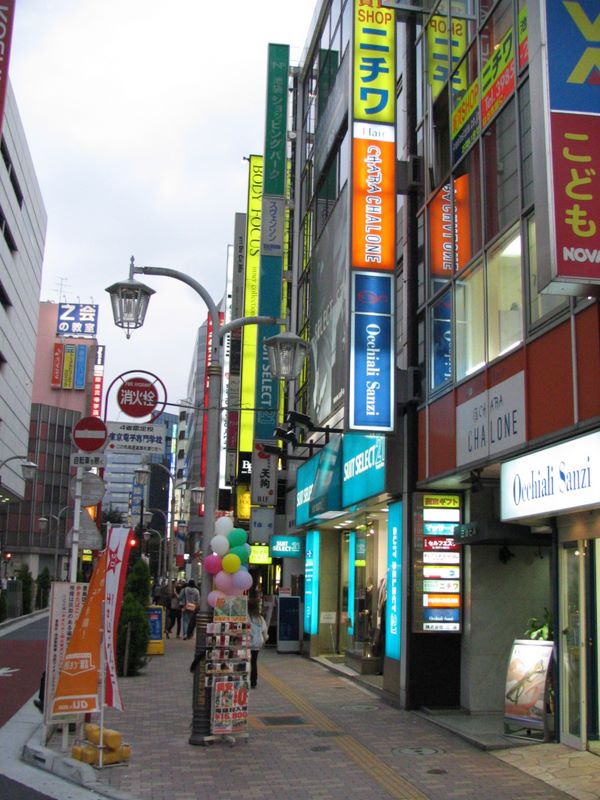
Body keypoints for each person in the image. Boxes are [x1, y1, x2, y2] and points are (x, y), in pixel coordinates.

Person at [248, 597, 268, 688]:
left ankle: (245, 680)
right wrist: (265, 640)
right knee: (254, 662)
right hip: (257, 643)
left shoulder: (247, 617)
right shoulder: (260, 618)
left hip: (248, 644)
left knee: (246, 662)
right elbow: (264, 631)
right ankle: (253, 682)